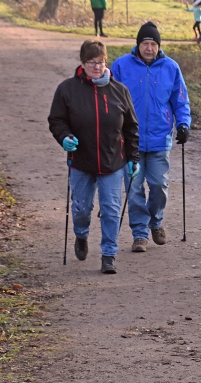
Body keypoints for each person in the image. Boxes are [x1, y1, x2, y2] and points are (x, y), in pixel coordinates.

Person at [48, 39, 139, 274]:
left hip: (113, 163)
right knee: (81, 209)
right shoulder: (67, 89)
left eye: (101, 62)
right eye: (92, 62)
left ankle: (109, 254)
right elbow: (56, 120)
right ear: (82, 63)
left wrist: (133, 158)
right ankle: (81, 234)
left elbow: (131, 128)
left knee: (111, 208)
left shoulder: (120, 91)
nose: (97, 67)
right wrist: (64, 137)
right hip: (81, 162)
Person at [111, 22, 192, 253]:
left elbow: (181, 100)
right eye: (145, 43)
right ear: (138, 45)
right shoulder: (121, 66)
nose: (149, 48)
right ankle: (139, 233)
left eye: (153, 44)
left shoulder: (171, 67)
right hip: (129, 141)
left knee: (159, 185)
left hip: (160, 138)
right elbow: (110, 99)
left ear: (159, 46)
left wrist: (184, 124)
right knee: (134, 187)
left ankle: (155, 222)